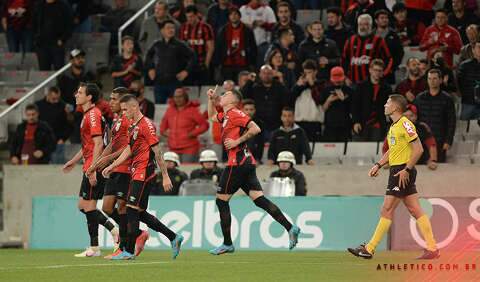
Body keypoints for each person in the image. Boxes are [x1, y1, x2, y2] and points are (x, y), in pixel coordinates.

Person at [206, 86, 300, 255]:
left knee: (221, 201)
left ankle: (227, 243)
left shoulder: (235, 113)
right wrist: (211, 99)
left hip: (237, 163)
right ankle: (290, 227)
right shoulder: (226, 116)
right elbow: (211, 117)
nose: (223, 94)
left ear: (233, 100)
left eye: (226, 94)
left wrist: (236, 142)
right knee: (260, 200)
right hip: (246, 163)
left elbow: (255, 128)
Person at [349, 94, 440, 260]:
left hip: (401, 171)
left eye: (387, 102)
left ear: (396, 107)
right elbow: (392, 151)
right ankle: (433, 248)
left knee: (386, 209)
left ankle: (369, 248)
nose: (385, 105)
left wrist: (407, 169)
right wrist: (378, 164)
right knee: (415, 209)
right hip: (398, 170)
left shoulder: (405, 124)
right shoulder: (393, 127)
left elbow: (418, 149)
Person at [102, 94, 184, 260]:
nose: (123, 113)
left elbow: (158, 151)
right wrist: (112, 165)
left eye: (125, 109)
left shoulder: (146, 125)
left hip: (145, 171)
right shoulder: (133, 125)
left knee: (131, 209)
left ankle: (128, 251)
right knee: (138, 212)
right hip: (136, 171)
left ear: (134, 107)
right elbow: (129, 150)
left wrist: (166, 176)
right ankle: (173, 237)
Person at [62, 83, 118, 258]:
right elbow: (88, 146)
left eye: (80, 92)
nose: (76, 94)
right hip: (89, 166)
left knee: (89, 206)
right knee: (83, 206)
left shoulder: (93, 115)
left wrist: (93, 169)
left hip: (94, 167)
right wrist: (73, 161)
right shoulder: (87, 115)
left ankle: (94, 247)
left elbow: (99, 144)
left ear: (89, 97)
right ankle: (113, 229)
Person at [85, 87, 130, 259]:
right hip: (113, 168)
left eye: (114, 99)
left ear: (123, 102)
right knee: (107, 208)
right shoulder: (116, 120)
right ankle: (134, 233)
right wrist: (97, 163)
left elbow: (128, 147)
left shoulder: (128, 121)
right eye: (110, 98)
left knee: (123, 207)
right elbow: (112, 144)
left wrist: (107, 159)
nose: (110, 102)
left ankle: (125, 244)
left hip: (125, 168)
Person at [145, 19, 195, 104]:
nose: (171, 30)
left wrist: (186, 71)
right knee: (159, 108)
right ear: (162, 31)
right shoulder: (157, 44)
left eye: (173, 28)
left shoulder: (180, 44)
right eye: (168, 28)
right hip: (159, 82)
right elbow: (148, 56)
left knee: (177, 108)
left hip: (174, 82)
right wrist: (150, 68)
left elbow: (193, 57)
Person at [414, 69, 456, 163]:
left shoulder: (447, 99)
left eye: (434, 78)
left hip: (440, 140)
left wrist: (448, 141)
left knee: (438, 169)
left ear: (440, 80)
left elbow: (451, 121)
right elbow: (414, 119)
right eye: (429, 79)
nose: (432, 81)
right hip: (421, 141)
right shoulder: (419, 98)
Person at [160, 88, 209, 163]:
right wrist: (168, 134)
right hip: (173, 148)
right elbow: (162, 128)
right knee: (173, 172)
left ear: (185, 97)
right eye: (176, 97)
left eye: (180, 97)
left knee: (187, 170)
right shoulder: (169, 110)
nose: (177, 99)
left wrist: (192, 134)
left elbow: (204, 125)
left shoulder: (193, 110)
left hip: (189, 148)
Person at [241, 65, 290, 140]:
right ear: (260, 74)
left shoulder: (279, 87)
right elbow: (243, 95)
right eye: (264, 73)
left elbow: (287, 100)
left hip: (276, 125)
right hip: (259, 126)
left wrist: (281, 80)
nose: (266, 75)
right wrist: (249, 81)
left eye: (269, 73)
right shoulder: (255, 87)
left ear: (273, 74)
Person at [383, 105, 438, 169]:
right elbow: (386, 146)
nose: (408, 118)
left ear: (416, 117)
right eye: (405, 116)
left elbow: (431, 145)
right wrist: (387, 161)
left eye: (411, 116)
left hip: (420, 163)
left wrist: (433, 160)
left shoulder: (422, 127)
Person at [342, 14, 393, 84]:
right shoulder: (350, 40)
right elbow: (344, 59)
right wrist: (345, 77)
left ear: (371, 26)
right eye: (360, 24)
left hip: (372, 83)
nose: (362, 27)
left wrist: (383, 73)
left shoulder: (379, 41)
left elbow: (389, 59)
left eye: (365, 24)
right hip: (353, 82)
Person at [352, 59, 392, 142]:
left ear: (382, 72)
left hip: (378, 124)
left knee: (375, 149)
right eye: (375, 70)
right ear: (370, 70)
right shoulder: (361, 86)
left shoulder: (387, 88)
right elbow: (355, 105)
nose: (377, 72)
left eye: (379, 71)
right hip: (363, 123)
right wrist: (356, 122)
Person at [214, 7, 257, 83]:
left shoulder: (247, 30)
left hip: (243, 64)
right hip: (227, 64)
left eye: (235, 14)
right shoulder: (223, 30)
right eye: (231, 14)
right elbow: (219, 47)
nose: (233, 16)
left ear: (240, 16)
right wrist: (219, 63)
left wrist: (251, 62)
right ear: (229, 17)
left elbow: (253, 47)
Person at [292, 59, 326, 142]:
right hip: (300, 122)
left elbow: (320, 100)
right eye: (305, 73)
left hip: (315, 122)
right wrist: (298, 86)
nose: (307, 75)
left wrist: (312, 84)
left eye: (309, 72)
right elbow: (290, 99)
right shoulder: (300, 85)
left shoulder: (321, 84)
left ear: (315, 72)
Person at [32, 0, 73, 70]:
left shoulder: (63, 6)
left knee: (59, 71)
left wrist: (62, 39)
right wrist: (36, 38)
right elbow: (34, 24)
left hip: (57, 44)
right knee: (44, 71)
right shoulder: (39, 5)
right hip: (42, 45)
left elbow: (69, 25)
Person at [180, 5, 215, 85]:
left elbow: (211, 47)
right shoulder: (183, 27)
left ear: (197, 15)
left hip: (201, 63)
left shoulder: (206, 27)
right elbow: (181, 47)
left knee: (203, 89)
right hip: (188, 66)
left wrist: (206, 64)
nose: (190, 19)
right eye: (187, 17)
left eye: (191, 16)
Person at [35, 86, 71, 163]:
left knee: (58, 166)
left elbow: (68, 125)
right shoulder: (38, 105)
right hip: (42, 142)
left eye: (58, 98)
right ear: (47, 95)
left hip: (58, 141)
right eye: (53, 99)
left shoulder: (63, 106)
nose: (56, 101)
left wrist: (63, 139)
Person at [319, 67, 353, 142]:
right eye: (336, 80)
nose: (337, 82)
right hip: (330, 126)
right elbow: (322, 110)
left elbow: (353, 110)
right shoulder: (326, 90)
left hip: (345, 126)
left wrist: (344, 99)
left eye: (339, 80)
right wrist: (328, 101)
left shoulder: (349, 90)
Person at [240, 0, 277, 67]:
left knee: (262, 67)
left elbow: (275, 27)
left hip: (263, 45)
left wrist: (264, 24)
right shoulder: (242, 9)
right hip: (246, 45)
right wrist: (245, 26)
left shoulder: (267, 9)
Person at [374, 9, 404, 84]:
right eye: (382, 18)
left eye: (386, 18)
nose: (385, 20)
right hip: (373, 70)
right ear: (376, 21)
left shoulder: (394, 35)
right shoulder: (371, 35)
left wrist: (392, 68)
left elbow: (400, 53)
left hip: (389, 72)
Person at [456, 41, 480, 122]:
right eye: (479, 47)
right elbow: (459, 84)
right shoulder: (465, 65)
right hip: (468, 103)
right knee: (465, 132)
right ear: (473, 50)